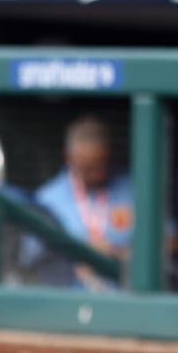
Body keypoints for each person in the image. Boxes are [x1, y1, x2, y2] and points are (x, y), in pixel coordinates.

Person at [33, 117, 135, 291]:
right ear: (69, 158)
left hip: (126, 296)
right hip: (69, 300)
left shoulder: (133, 189)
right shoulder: (48, 198)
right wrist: (80, 252)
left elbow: (171, 239)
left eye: (100, 165)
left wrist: (123, 254)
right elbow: (34, 257)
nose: (95, 174)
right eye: (87, 168)